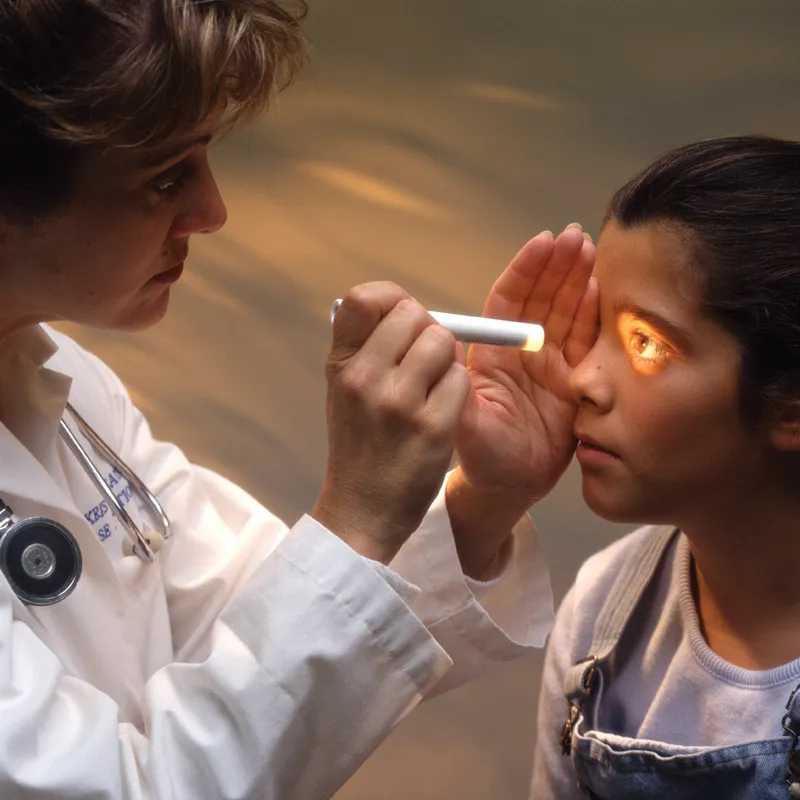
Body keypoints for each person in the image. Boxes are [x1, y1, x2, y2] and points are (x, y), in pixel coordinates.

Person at [0, 2, 598, 797]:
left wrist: (479, 502)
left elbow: (258, 625)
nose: (211, 212)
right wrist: (357, 515)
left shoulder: (58, 382)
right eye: (165, 176)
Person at [531, 135, 800, 799]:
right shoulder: (603, 610)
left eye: (645, 343)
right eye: (593, 332)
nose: (583, 380)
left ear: (791, 401)